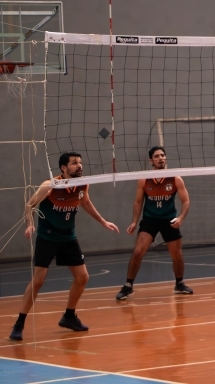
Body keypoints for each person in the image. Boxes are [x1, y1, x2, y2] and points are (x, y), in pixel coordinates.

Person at [9, 152, 119, 340]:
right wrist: (30, 224)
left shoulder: (82, 184)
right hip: (47, 237)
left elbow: (86, 202)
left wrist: (103, 221)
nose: (79, 166)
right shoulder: (50, 185)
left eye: (80, 162)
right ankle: (19, 323)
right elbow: (30, 205)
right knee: (38, 280)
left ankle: (69, 316)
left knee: (82, 277)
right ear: (63, 168)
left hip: (68, 237)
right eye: (74, 163)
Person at [116, 146, 192, 300]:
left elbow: (186, 201)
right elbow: (138, 202)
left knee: (177, 255)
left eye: (162, 155)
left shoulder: (175, 178)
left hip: (169, 220)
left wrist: (180, 218)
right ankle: (128, 286)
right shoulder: (144, 179)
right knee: (138, 251)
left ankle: (179, 283)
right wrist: (134, 222)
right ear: (151, 161)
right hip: (150, 220)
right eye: (156, 156)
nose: (160, 158)